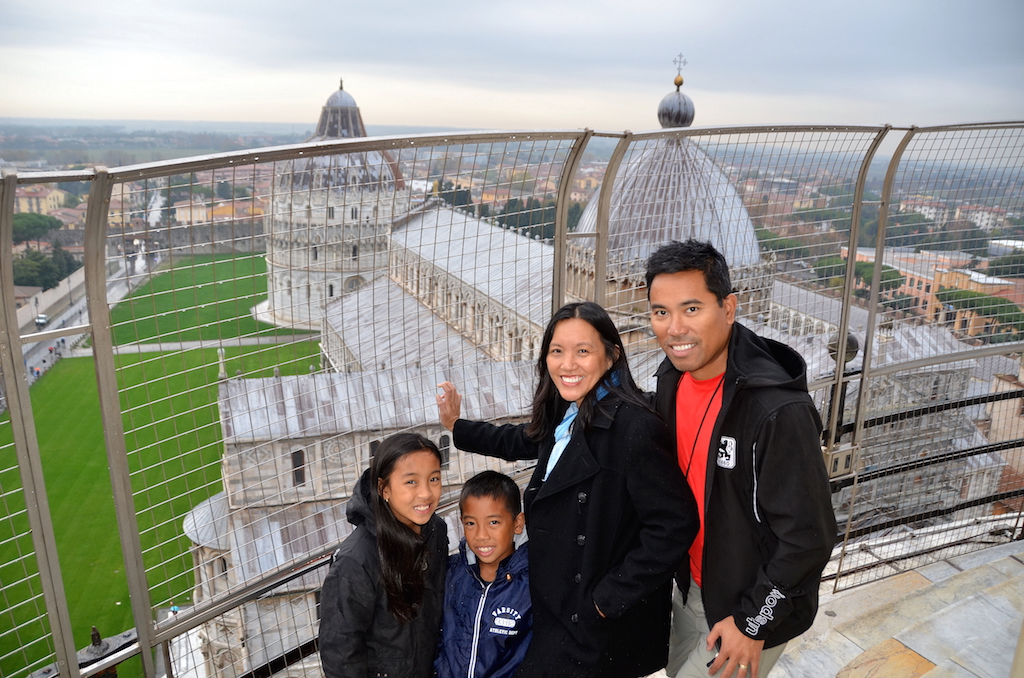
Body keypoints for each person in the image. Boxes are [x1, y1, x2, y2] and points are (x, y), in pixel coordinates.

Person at [437, 301, 698, 678]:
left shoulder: (635, 429)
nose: (567, 364)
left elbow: (674, 525)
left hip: (597, 624)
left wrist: (607, 600)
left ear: (611, 357)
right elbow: (523, 439)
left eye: (583, 351)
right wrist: (458, 427)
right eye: (556, 351)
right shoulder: (570, 410)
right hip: (561, 608)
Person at [645, 240, 837, 678]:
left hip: (745, 608)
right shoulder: (672, 376)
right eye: (661, 312)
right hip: (690, 588)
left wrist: (753, 622)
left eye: (691, 309)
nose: (674, 329)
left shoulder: (777, 412)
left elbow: (810, 537)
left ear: (729, 308)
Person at [319, 433, 448, 678]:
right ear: (384, 488)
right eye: (411, 482)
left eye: (434, 479)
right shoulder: (356, 560)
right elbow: (340, 652)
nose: (426, 493)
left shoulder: (435, 530)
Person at [435, 470, 531, 678]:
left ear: (518, 523)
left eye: (493, 522)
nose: (481, 535)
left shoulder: (532, 583)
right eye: (471, 523)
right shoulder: (451, 573)